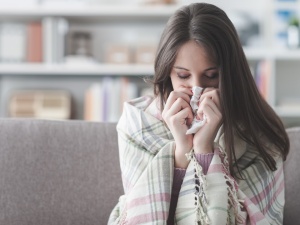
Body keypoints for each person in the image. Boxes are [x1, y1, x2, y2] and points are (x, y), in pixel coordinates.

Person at [108, 3, 289, 225]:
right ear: (168, 73)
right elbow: (147, 215)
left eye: (211, 76)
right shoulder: (138, 123)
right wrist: (182, 150)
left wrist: (204, 149)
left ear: (230, 74)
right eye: (183, 76)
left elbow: (255, 218)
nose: (197, 89)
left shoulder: (256, 130)